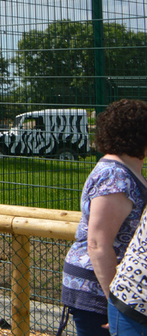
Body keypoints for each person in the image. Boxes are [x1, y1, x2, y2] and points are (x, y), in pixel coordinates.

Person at [62, 99, 147, 336]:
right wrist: (117, 304)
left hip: (109, 286)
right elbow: (98, 244)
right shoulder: (115, 177)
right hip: (99, 287)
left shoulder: (125, 170)